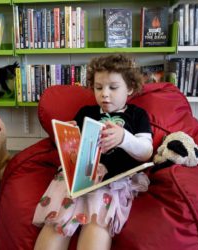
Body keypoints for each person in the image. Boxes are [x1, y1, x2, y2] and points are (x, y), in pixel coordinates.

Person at [33, 54, 153, 250]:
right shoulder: (86, 112)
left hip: (111, 183)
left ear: (129, 88)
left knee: (95, 228)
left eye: (113, 88)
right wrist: (69, 137)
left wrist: (124, 138)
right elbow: (73, 151)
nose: (105, 94)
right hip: (79, 179)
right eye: (99, 88)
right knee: (56, 225)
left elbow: (146, 151)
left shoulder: (137, 115)